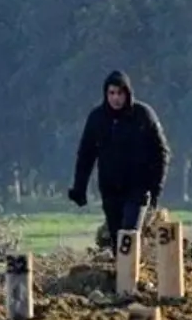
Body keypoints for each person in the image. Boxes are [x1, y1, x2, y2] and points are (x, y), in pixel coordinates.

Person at [67, 70, 171, 252]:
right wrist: (79, 188)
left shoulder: (143, 115)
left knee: (128, 234)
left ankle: (131, 277)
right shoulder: (97, 118)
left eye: (120, 93)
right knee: (117, 241)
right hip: (110, 190)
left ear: (127, 93)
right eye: (111, 93)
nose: (116, 98)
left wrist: (155, 188)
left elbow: (161, 152)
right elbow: (86, 155)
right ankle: (123, 276)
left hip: (138, 189)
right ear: (105, 94)